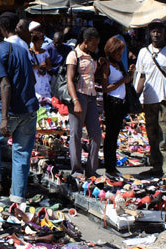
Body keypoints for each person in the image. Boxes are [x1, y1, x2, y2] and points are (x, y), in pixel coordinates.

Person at [0, 12, 39, 203]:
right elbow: (32, 78)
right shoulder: (23, 49)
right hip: (30, 108)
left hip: (12, 109)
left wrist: (4, 117)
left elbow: (5, 84)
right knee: (21, 154)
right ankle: (17, 198)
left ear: (2, 29)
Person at [135, 19, 166, 178]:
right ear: (150, 33)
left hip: (165, 100)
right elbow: (141, 77)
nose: (156, 34)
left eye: (159, 31)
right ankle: (156, 166)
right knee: (152, 135)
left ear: (164, 33)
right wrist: (135, 98)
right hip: (148, 100)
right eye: (153, 31)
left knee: (165, 135)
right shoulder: (143, 52)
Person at [66, 27, 102, 178]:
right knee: (76, 133)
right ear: (85, 42)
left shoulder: (91, 56)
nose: (96, 47)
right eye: (94, 44)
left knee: (96, 134)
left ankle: (91, 169)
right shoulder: (74, 55)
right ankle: (77, 169)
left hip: (91, 96)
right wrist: (75, 101)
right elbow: (69, 80)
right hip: (79, 96)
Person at [100, 36, 134, 177]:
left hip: (120, 103)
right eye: (118, 53)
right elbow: (105, 87)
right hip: (112, 103)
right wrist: (122, 81)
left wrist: (130, 74)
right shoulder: (106, 65)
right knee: (110, 137)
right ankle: (110, 167)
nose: (120, 56)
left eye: (121, 53)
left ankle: (112, 166)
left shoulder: (118, 64)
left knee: (114, 137)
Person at [30, 32, 51, 97]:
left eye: (42, 43)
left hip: (43, 78)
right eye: (39, 43)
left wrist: (45, 66)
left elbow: (50, 66)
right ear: (34, 42)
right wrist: (39, 66)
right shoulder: (30, 52)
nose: (41, 45)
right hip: (34, 78)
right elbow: (29, 66)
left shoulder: (45, 52)